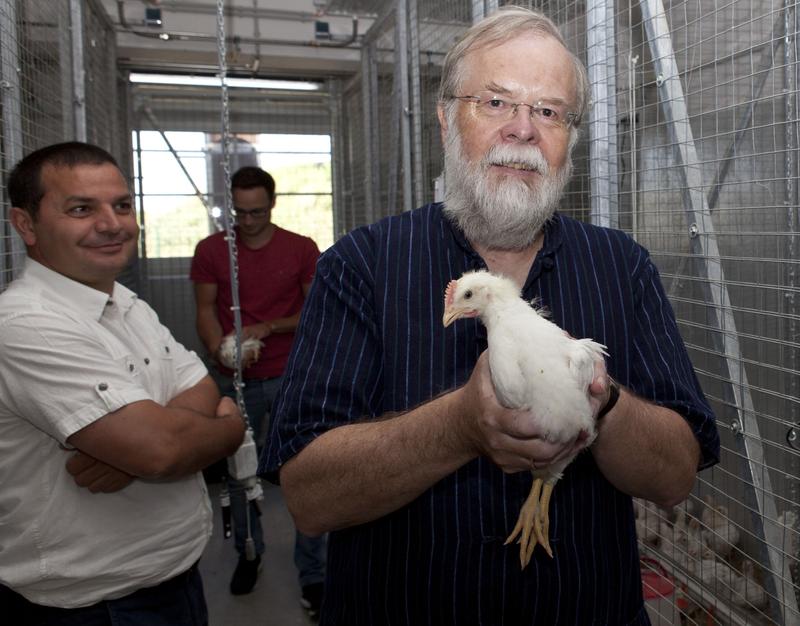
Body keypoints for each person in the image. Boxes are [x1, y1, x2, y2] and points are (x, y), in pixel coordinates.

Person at [261, 7, 720, 625]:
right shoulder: (361, 266)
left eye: (550, 111)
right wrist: (458, 426)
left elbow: (674, 478)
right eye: (497, 102)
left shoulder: (622, 267)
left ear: (570, 140)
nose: (523, 130)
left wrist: (600, 402)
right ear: (448, 117)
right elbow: (310, 498)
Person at [0, 141, 246, 625]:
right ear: (26, 225)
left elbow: (200, 392)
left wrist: (147, 445)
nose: (112, 224)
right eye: (80, 209)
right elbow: (164, 450)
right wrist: (229, 428)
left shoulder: (128, 305)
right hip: (92, 605)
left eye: (121, 205)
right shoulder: (26, 323)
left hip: (171, 580)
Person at [190, 166, 326, 611]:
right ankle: (249, 552)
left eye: (257, 213)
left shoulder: (301, 248)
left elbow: (315, 312)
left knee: (304, 468)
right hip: (237, 378)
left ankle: (315, 572)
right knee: (239, 471)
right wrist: (218, 348)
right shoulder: (212, 250)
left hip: (291, 372)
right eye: (240, 213)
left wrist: (268, 326)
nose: (248, 222)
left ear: (272, 204)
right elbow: (206, 309)